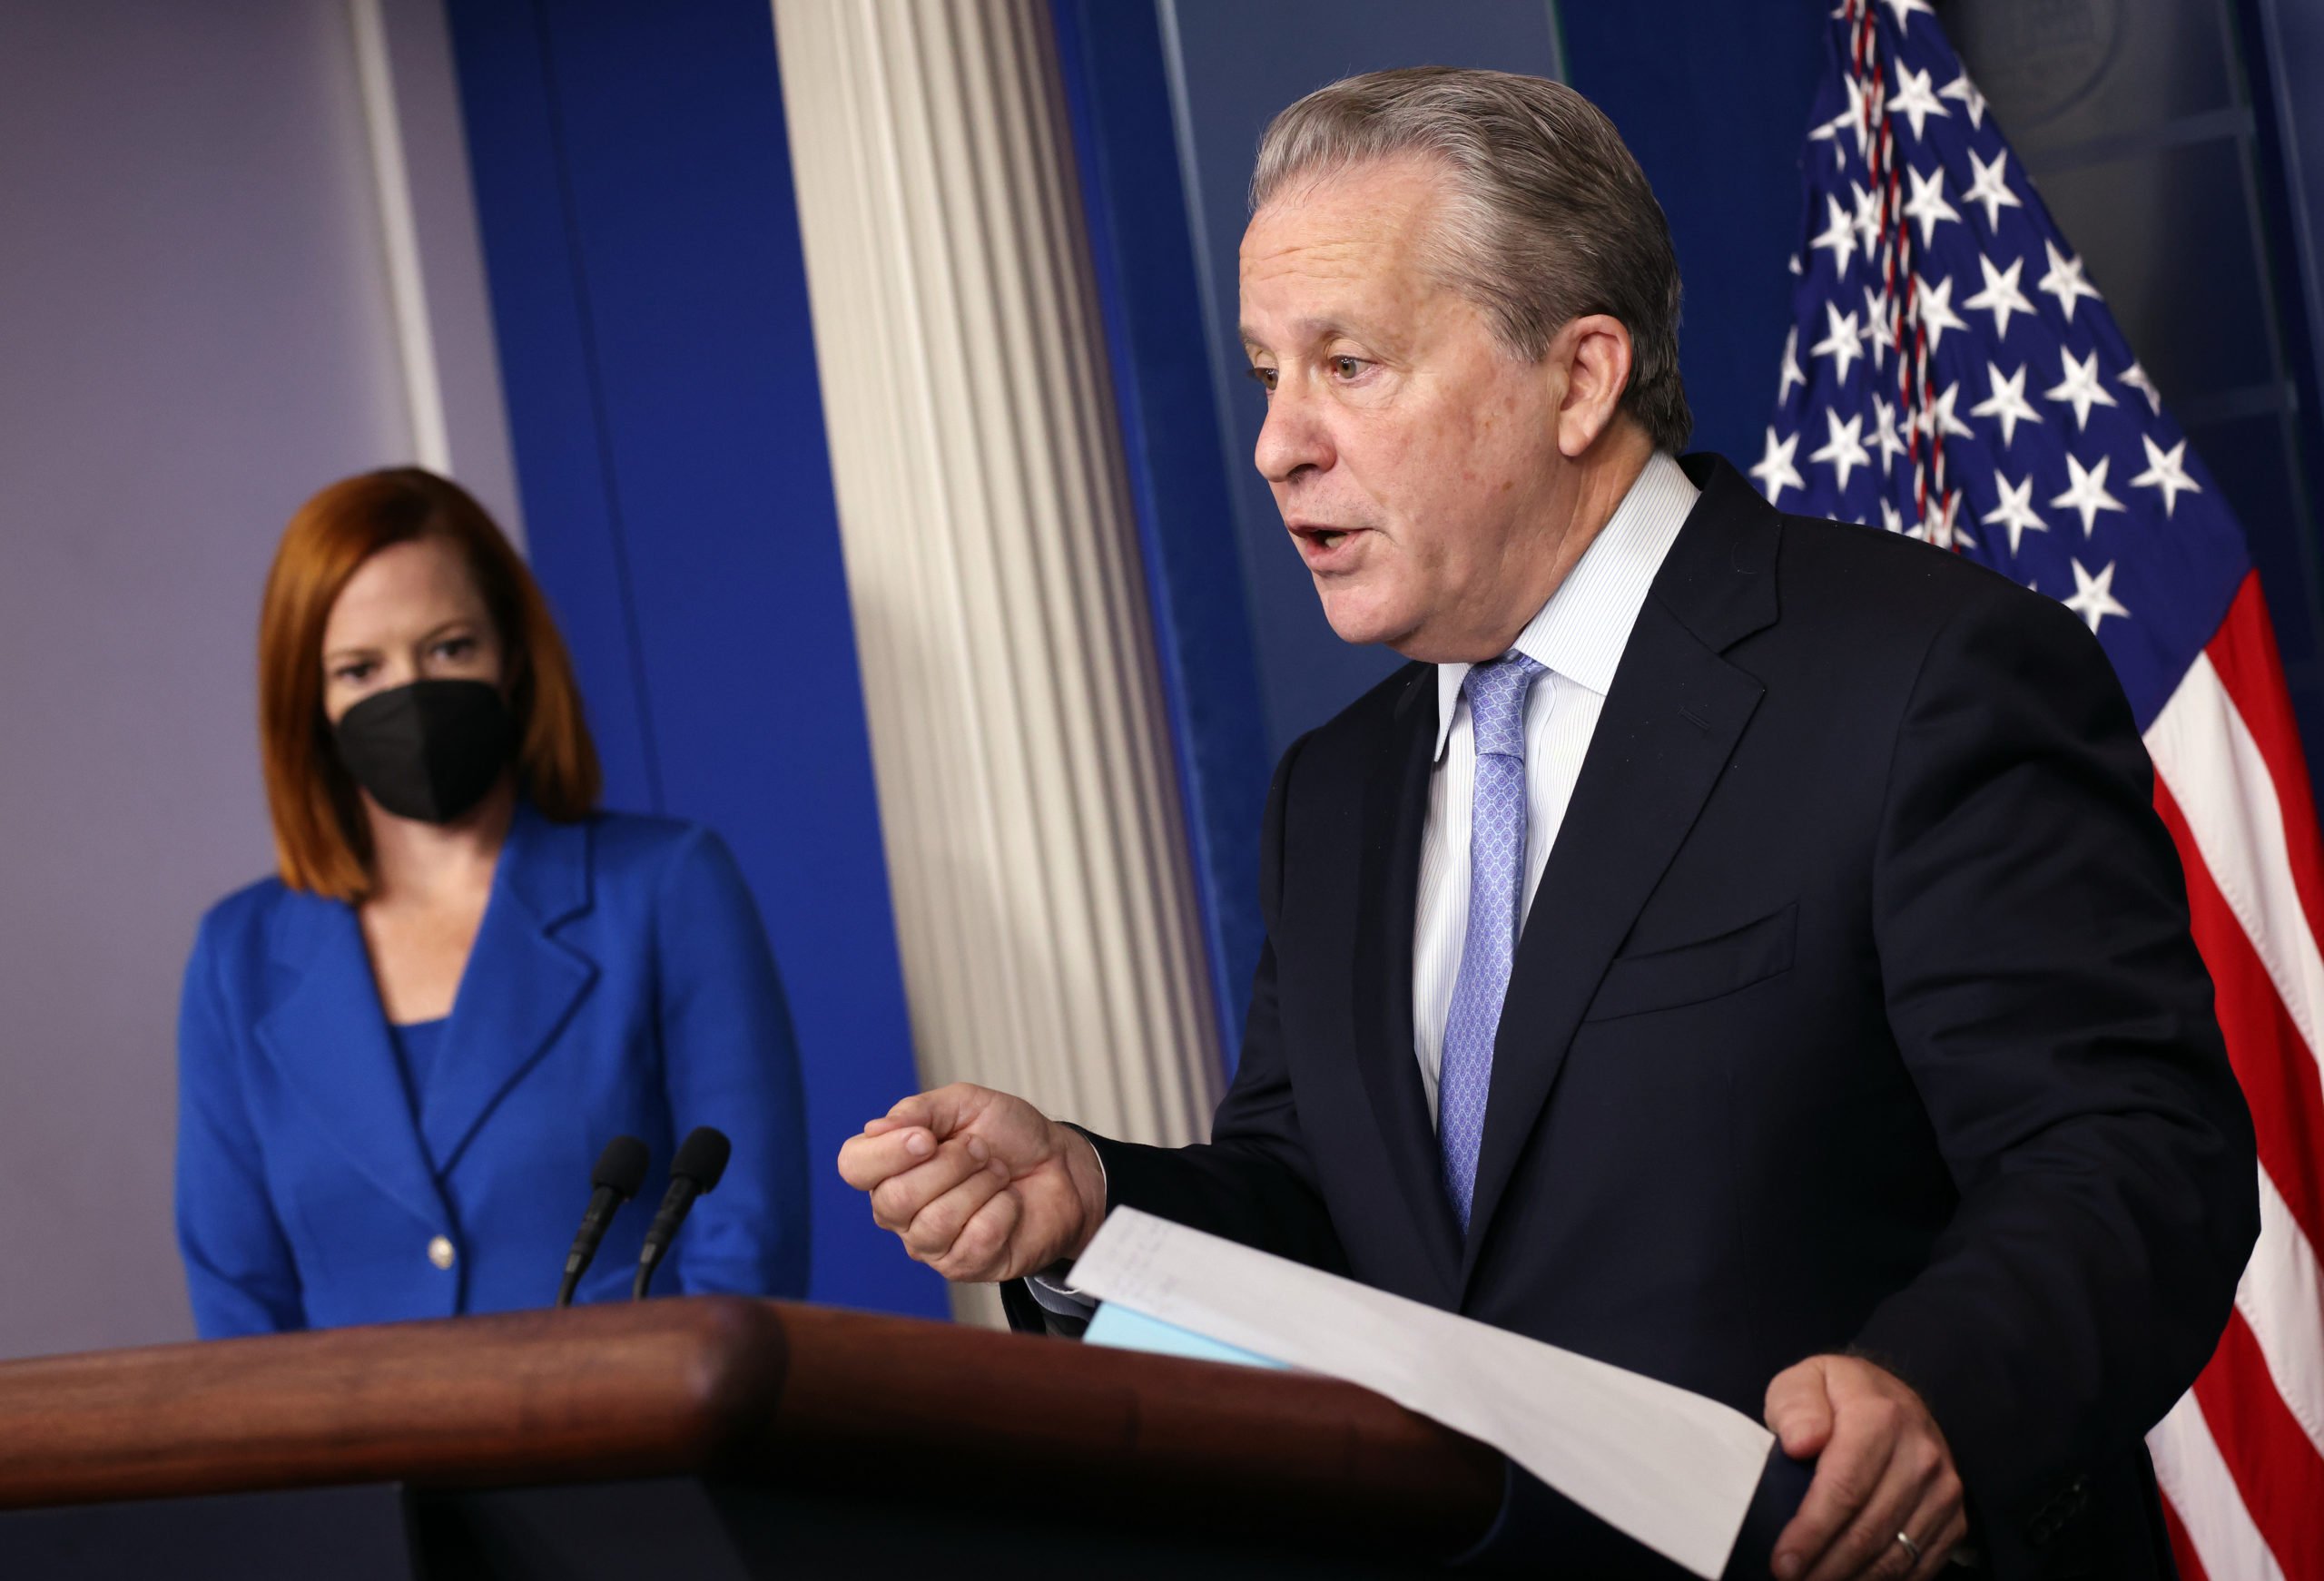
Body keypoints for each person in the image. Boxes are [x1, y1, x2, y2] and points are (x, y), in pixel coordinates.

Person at [837, 68, 2257, 1580]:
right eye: (1267, 373)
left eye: (1349, 365)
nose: (1279, 444)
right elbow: (1327, 1208)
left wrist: (1939, 1399)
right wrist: (1097, 1203)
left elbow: (2123, 1150)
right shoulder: (1340, 791)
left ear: (1579, 378)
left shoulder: (1918, 674)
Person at [177, 468, 808, 1335]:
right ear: (310, 703)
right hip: (358, 1469)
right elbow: (237, 1302)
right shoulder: (236, 957)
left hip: (632, 1457)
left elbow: (747, 1248)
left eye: (448, 648)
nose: (410, 695)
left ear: (510, 655)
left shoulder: (666, 886)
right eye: (360, 668)